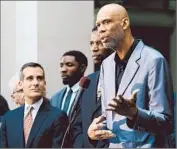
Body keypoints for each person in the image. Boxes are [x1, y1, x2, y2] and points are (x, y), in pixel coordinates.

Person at [87, 3, 174, 148]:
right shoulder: (106, 65)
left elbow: (166, 123)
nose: (101, 29)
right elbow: (108, 117)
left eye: (106, 22)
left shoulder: (154, 60)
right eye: (98, 24)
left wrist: (135, 114)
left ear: (125, 23)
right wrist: (93, 132)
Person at [1, 62, 68, 148]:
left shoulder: (57, 116)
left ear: (44, 83)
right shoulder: (9, 118)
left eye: (39, 78)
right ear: (21, 84)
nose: (36, 83)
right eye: (30, 78)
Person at [72, 26, 113, 147]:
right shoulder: (88, 81)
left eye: (99, 43)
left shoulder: (124, 78)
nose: (94, 49)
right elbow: (76, 126)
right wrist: (88, 140)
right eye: (91, 43)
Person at [51, 50, 88, 116]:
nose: (63, 70)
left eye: (69, 65)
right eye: (61, 65)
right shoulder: (55, 98)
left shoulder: (90, 94)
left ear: (82, 68)